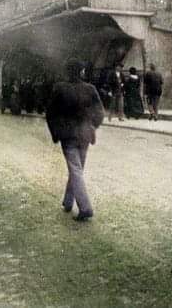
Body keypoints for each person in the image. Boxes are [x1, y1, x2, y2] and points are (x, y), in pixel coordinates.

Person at [46, 58, 104, 222]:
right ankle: (68, 201)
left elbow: (50, 113)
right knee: (77, 170)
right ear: (82, 72)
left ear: (67, 72)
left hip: (68, 136)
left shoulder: (60, 88)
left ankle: (85, 208)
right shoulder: (90, 89)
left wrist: (55, 133)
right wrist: (93, 126)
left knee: (75, 170)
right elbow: (99, 112)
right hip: (84, 135)